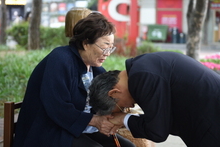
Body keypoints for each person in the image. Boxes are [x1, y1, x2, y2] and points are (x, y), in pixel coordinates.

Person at [89, 51, 220, 147]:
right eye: (124, 110)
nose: (129, 107)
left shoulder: (143, 77)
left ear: (114, 93)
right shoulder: (140, 67)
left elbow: (158, 131)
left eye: (120, 108)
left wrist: (123, 118)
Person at [13, 12, 135, 147]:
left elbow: (107, 97)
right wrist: (95, 120)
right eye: (104, 47)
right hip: (50, 130)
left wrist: (113, 117)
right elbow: (56, 106)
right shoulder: (60, 59)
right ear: (86, 43)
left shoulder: (96, 69)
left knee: (128, 146)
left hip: (79, 128)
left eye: (110, 48)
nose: (107, 53)